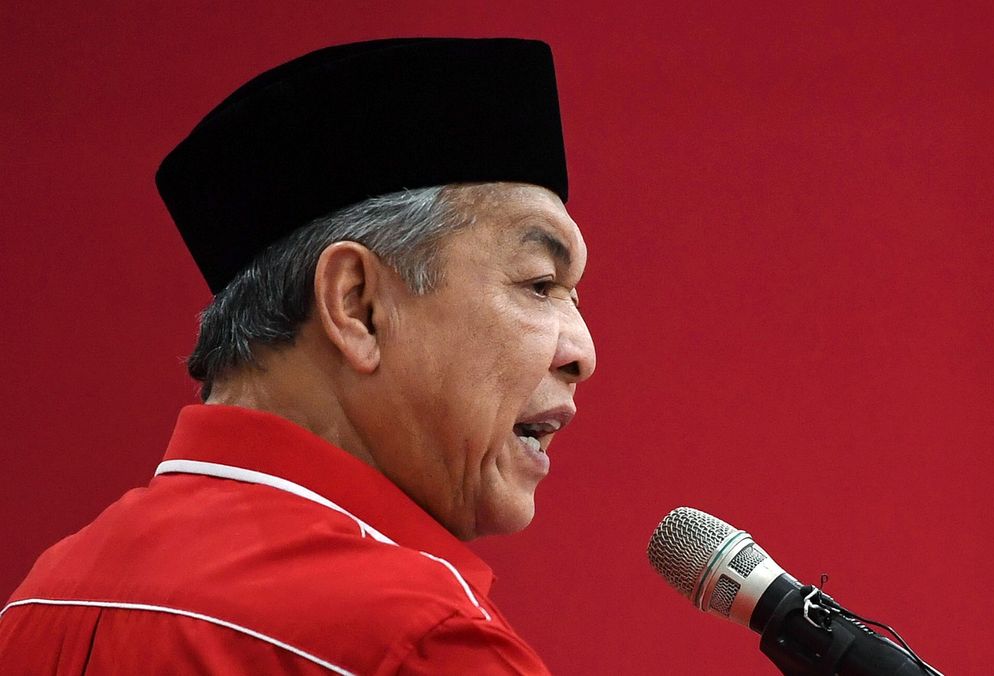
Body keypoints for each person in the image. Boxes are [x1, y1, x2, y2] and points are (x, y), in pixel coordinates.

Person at [0, 38, 595, 674]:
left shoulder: (40, 604)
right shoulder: (422, 644)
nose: (581, 351)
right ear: (358, 305)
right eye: (539, 285)